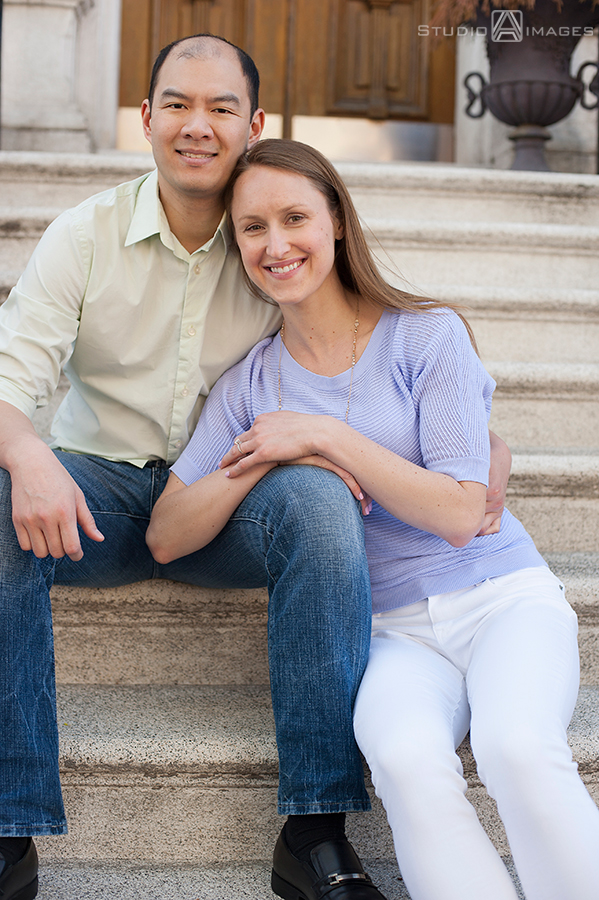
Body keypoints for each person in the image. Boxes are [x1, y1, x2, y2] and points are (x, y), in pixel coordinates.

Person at [146, 137, 599, 900]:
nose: (275, 244)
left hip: (500, 600)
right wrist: (264, 455)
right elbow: (165, 533)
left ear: (337, 226)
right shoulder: (250, 384)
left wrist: (323, 435)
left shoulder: (425, 335)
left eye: (295, 218)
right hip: (388, 633)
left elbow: (459, 512)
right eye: (253, 227)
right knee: (403, 758)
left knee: (515, 745)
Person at [0, 33, 392, 900]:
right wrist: (26, 451)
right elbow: (7, 379)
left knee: (321, 502)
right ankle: (7, 828)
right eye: (177, 103)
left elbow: (378, 350)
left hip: (224, 504)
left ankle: (316, 830)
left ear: (255, 126)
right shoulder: (84, 234)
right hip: (90, 499)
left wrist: (481, 445)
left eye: (221, 108)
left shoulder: (274, 240)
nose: (196, 125)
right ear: (145, 117)